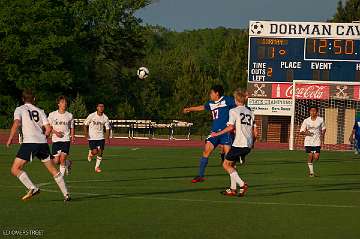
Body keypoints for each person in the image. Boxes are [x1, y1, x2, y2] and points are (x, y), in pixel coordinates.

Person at [6, 90, 70, 201]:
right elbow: (48, 129)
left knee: (15, 169)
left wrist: (10, 138)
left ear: (22, 99)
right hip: (42, 143)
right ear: (34, 99)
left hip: (30, 143)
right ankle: (66, 195)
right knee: (53, 170)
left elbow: (16, 123)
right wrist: (43, 137)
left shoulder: (20, 109)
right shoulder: (40, 111)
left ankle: (32, 188)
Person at [183, 85, 236, 183]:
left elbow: (238, 105)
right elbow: (202, 107)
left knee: (229, 159)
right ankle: (200, 175)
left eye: (211, 93)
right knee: (206, 151)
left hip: (226, 132)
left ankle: (234, 182)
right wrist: (190, 109)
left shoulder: (227, 100)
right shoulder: (211, 103)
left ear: (217, 93)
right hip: (214, 133)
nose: (210, 95)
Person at [211, 89, 257, 197]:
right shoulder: (250, 112)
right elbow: (253, 131)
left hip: (239, 143)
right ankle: (232, 189)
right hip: (248, 144)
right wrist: (252, 144)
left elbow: (230, 127)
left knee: (226, 164)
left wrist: (217, 134)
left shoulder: (234, 111)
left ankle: (242, 184)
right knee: (232, 164)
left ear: (236, 100)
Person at [48, 96, 75, 176]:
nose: (64, 104)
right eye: (62, 102)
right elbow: (48, 127)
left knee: (62, 159)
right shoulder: (52, 115)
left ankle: (61, 179)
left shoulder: (69, 115)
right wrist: (56, 132)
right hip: (56, 140)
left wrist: (72, 136)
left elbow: (72, 126)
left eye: (65, 102)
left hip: (66, 139)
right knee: (56, 161)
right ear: (58, 104)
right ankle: (68, 163)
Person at [300, 106, 326, 177]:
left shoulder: (321, 119)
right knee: (310, 155)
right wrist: (306, 133)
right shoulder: (306, 120)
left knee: (316, 157)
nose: (312, 112)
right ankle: (311, 173)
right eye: (311, 111)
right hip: (308, 141)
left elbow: (324, 128)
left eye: (314, 111)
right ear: (309, 112)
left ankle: (312, 161)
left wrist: (322, 135)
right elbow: (301, 131)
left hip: (317, 140)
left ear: (317, 112)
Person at [84, 103, 110, 173]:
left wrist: (107, 138)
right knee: (95, 151)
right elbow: (85, 124)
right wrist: (86, 134)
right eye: (99, 106)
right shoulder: (92, 115)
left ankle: (97, 167)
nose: (101, 108)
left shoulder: (105, 117)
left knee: (101, 152)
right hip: (92, 137)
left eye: (102, 106)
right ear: (97, 108)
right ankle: (91, 153)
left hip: (101, 137)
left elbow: (107, 128)